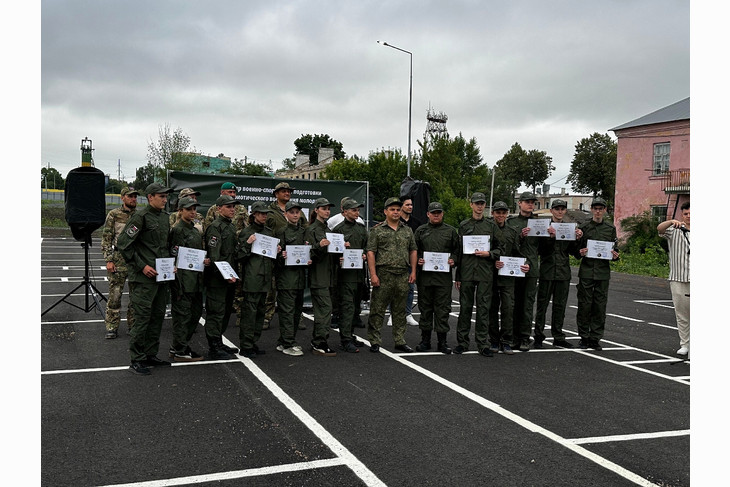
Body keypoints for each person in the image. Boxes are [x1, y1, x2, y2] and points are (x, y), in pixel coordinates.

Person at [117, 182, 174, 375]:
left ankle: (150, 354)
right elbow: (124, 244)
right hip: (144, 278)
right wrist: (142, 266)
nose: (165, 200)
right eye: (161, 197)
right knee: (142, 318)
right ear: (150, 197)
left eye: (166, 197)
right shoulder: (140, 217)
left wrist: (170, 264)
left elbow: (164, 246)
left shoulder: (165, 218)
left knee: (157, 316)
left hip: (161, 276)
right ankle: (137, 358)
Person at [367, 197, 418, 353]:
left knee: (400, 310)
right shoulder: (377, 230)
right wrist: (373, 275)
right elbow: (371, 252)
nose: (395, 212)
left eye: (397, 209)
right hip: (383, 274)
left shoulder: (407, 230)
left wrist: (414, 271)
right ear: (385, 211)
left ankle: (399, 340)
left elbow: (413, 250)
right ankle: (375, 340)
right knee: (377, 309)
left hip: (402, 274)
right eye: (392, 209)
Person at [454, 192, 503, 357]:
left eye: (482, 203)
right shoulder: (463, 225)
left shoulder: (491, 226)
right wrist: (458, 276)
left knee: (483, 309)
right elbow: (459, 252)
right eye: (477, 203)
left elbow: (499, 248)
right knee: (465, 308)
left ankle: (483, 343)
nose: (480, 206)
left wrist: (489, 254)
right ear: (471, 205)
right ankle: (462, 342)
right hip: (467, 272)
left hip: (484, 273)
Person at [533, 199, 583, 348]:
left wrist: (578, 239)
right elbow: (539, 250)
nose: (560, 212)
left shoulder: (569, 228)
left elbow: (574, 253)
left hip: (563, 272)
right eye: (557, 209)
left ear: (565, 211)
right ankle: (538, 336)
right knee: (542, 305)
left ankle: (558, 336)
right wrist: (550, 237)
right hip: (547, 272)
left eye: (562, 209)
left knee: (560, 306)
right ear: (551, 211)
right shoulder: (544, 227)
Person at [573, 197, 619, 350]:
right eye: (596, 208)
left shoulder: (610, 229)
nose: (598, 211)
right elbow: (576, 252)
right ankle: (584, 337)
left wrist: (615, 255)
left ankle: (595, 338)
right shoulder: (584, 227)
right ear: (592, 209)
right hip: (586, 271)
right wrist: (581, 251)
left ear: (605, 210)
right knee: (585, 305)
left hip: (602, 273)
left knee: (599, 306)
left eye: (601, 208)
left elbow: (615, 250)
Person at [413, 202, 459, 354]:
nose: (436, 215)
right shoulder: (421, 231)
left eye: (439, 212)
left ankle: (442, 342)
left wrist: (454, 259)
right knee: (425, 309)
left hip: (443, 278)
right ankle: (425, 340)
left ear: (443, 213)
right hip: (425, 277)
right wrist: (419, 259)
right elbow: (414, 250)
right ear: (428, 214)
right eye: (433, 213)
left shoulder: (451, 231)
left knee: (443, 309)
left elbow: (457, 251)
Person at [237, 201, 280, 358]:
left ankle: (253, 341)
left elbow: (272, 258)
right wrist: (248, 244)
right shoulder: (246, 232)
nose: (264, 216)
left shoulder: (269, 233)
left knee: (261, 311)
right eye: (261, 213)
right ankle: (246, 345)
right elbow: (240, 256)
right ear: (254, 214)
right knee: (250, 312)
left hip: (265, 277)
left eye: (266, 213)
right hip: (252, 278)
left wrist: (277, 251)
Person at [168, 196, 208, 362]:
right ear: (180, 210)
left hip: (196, 279)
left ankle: (182, 345)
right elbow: (173, 253)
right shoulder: (177, 230)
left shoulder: (194, 229)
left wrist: (203, 260)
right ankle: (179, 349)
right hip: (183, 281)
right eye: (189, 209)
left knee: (195, 313)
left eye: (194, 209)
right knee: (182, 315)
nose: (193, 212)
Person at [203, 194, 242, 360]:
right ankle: (213, 346)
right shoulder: (215, 227)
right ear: (219, 209)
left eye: (233, 207)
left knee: (226, 311)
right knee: (216, 312)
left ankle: (219, 340)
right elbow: (215, 256)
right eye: (228, 206)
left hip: (230, 277)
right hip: (218, 278)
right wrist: (225, 275)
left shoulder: (230, 227)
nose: (232, 209)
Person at [265, 182, 307, 329]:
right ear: (276, 194)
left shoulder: (297, 212)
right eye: (283, 191)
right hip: (275, 254)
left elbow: (305, 230)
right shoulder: (270, 211)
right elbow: (265, 233)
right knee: (271, 289)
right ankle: (267, 317)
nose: (287, 193)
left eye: (288, 191)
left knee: (294, 293)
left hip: (295, 258)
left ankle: (298, 318)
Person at [274, 201, 311, 356]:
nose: (295, 215)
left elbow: (309, 253)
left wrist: (309, 258)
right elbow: (275, 257)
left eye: (297, 212)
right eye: (292, 212)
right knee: (287, 312)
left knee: (296, 312)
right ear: (286, 214)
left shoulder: (304, 232)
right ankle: (289, 343)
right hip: (286, 278)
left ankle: (285, 341)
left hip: (299, 278)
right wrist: (280, 255)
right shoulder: (281, 232)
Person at [101, 187, 138, 339]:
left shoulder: (140, 215)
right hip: (118, 258)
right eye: (130, 196)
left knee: (135, 296)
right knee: (115, 296)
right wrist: (109, 259)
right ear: (122, 198)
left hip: (136, 259)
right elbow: (106, 238)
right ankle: (112, 326)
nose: (133, 199)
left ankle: (133, 326)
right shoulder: (114, 214)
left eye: (135, 196)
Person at [332, 198, 368, 353]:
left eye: (358, 210)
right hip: (345, 276)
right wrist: (338, 255)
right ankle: (345, 339)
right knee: (346, 307)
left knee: (354, 308)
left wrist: (365, 254)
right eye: (353, 210)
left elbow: (367, 246)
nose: (356, 212)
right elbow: (332, 252)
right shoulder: (338, 229)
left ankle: (350, 334)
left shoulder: (361, 228)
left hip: (359, 274)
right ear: (345, 211)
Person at [304, 198, 339, 356]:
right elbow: (307, 254)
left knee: (324, 309)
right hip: (319, 276)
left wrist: (342, 249)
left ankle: (319, 340)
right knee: (325, 309)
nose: (327, 211)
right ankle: (319, 341)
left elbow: (332, 254)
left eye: (328, 209)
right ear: (316, 210)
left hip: (329, 275)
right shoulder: (311, 230)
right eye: (324, 208)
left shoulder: (328, 230)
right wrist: (319, 246)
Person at [506, 191, 541, 352]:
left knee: (527, 305)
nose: (530, 204)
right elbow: (507, 244)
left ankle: (525, 337)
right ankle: (512, 336)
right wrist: (520, 236)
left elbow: (544, 249)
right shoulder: (511, 222)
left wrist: (551, 235)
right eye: (527, 201)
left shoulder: (539, 223)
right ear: (519, 203)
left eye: (532, 202)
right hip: (514, 267)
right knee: (513, 303)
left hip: (531, 267)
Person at [658, 201, 690, 356]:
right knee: (682, 313)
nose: (689, 216)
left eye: (691, 213)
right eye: (686, 214)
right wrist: (671, 221)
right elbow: (659, 229)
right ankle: (685, 344)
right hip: (678, 277)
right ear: (682, 215)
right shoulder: (674, 230)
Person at [488, 201, 520, 355]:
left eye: (503, 212)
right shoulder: (487, 230)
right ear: (493, 213)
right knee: (492, 309)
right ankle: (493, 340)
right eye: (498, 212)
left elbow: (517, 254)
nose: (500, 215)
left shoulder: (512, 232)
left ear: (507, 214)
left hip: (508, 276)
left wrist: (524, 264)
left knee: (508, 308)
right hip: (490, 275)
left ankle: (506, 340)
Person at [399, 197, 423, 327]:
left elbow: (419, 243)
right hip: (397, 260)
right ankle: (393, 314)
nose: (410, 207)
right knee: (395, 290)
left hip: (411, 261)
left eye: (411, 205)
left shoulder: (417, 223)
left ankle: (408, 314)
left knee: (410, 289)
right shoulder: (396, 221)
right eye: (407, 204)